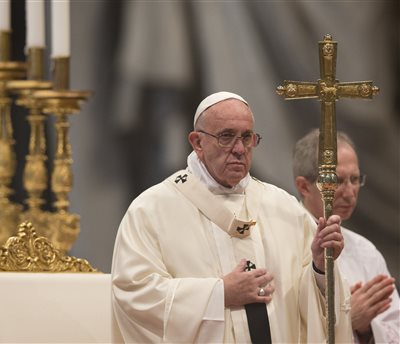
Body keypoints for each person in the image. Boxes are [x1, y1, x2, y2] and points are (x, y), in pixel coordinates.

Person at [111, 91, 352, 343]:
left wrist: (320, 268)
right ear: (197, 142)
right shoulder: (152, 210)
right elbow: (134, 293)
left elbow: (303, 305)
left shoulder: (284, 208)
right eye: (226, 136)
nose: (239, 149)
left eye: (247, 137)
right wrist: (220, 294)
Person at [293, 129, 399, 344]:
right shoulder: (280, 242)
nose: (350, 192)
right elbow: (279, 329)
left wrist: (367, 328)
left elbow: (395, 330)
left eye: (355, 179)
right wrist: (346, 320)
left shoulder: (365, 251)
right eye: (338, 181)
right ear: (304, 186)